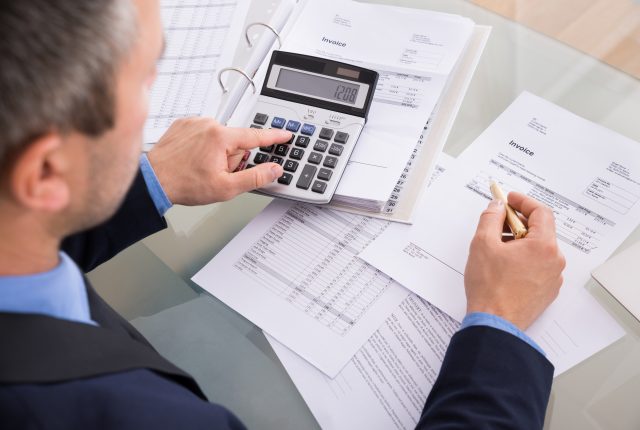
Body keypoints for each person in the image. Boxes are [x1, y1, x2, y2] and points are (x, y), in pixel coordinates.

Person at [0, 1, 565, 429]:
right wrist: (501, 327)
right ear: (46, 172)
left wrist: (150, 179)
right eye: (147, 81)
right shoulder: (129, 413)